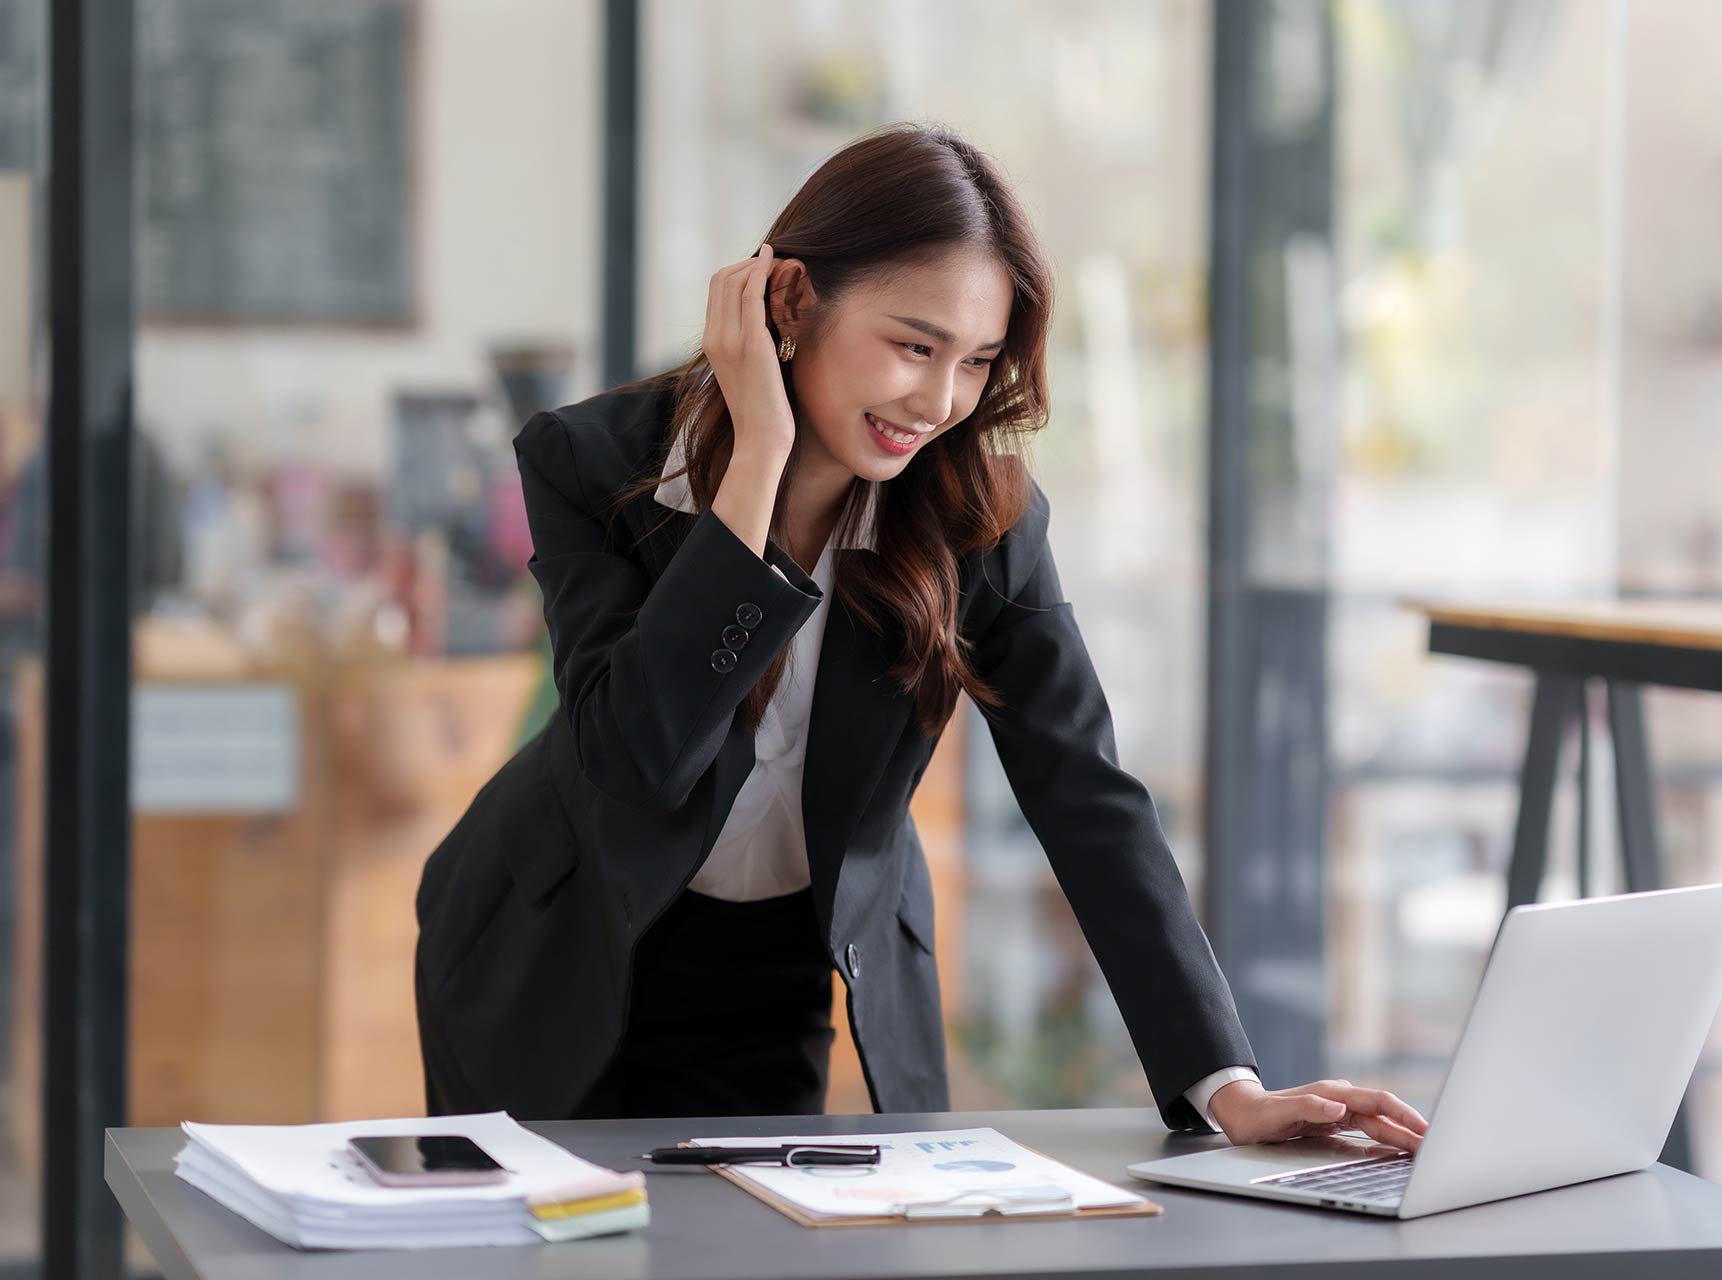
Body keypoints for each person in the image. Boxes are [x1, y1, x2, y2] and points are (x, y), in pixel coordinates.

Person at [413, 123, 1427, 1151]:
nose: (939, 403)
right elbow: (638, 758)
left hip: (776, 962)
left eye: (977, 360)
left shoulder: (978, 519)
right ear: (792, 302)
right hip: (547, 952)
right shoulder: (589, 461)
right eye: (914, 345)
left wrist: (1228, 1082)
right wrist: (758, 456)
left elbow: (1085, 791)